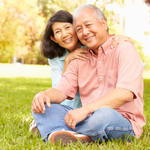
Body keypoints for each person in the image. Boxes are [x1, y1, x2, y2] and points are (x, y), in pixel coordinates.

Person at [31, 5, 146, 145]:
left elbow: (125, 93)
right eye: (79, 29)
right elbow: (61, 90)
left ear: (104, 23)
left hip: (120, 120)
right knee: (43, 107)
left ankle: (56, 129)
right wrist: (44, 95)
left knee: (103, 115)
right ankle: (79, 136)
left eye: (88, 25)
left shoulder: (124, 48)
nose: (85, 32)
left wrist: (85, 110)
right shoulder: (79, 58)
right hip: (86, 116)